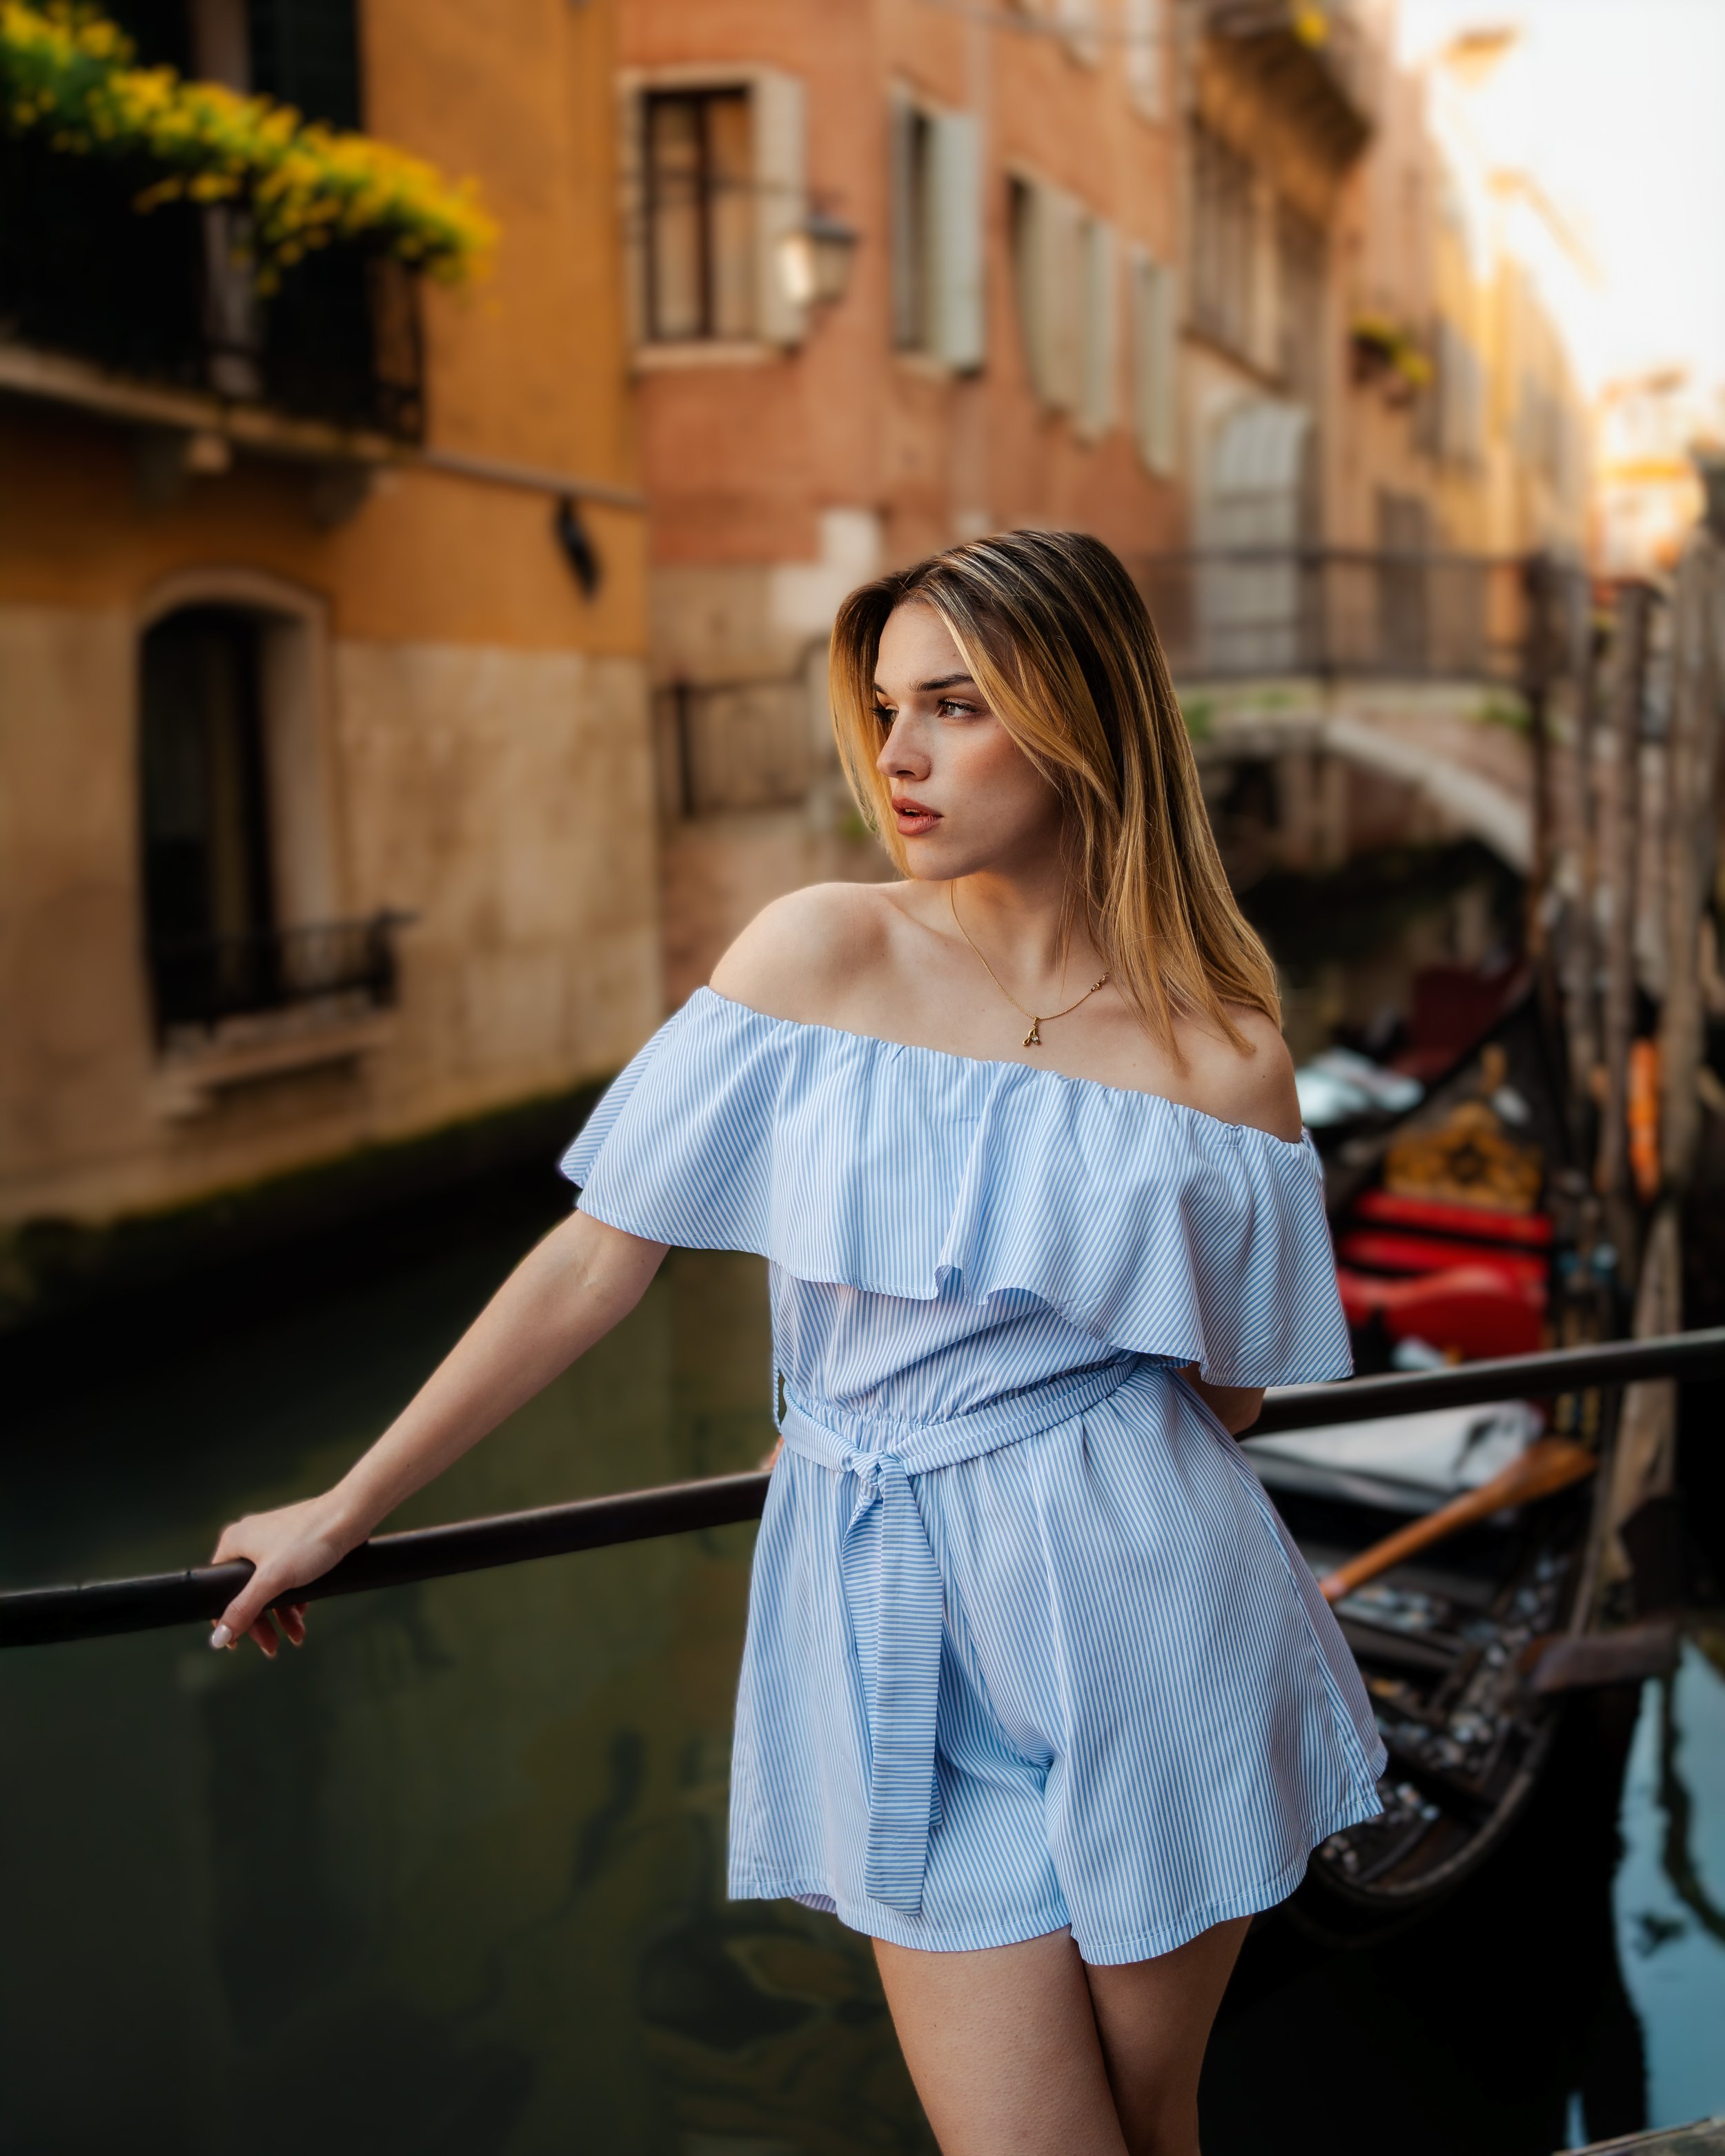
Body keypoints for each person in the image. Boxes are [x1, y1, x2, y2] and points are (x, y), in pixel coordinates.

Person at [208, 531, 1384, 2156]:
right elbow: (591, 1262)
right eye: (887, 706)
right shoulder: (818, 954)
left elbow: (1225, 1396)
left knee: (1147, 2118)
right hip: (874, 1595)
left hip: (1148, 1608)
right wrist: (345, 1509)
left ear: (1086, 717)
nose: (896, 756)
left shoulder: (1224, 1048)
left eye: (957, 707)